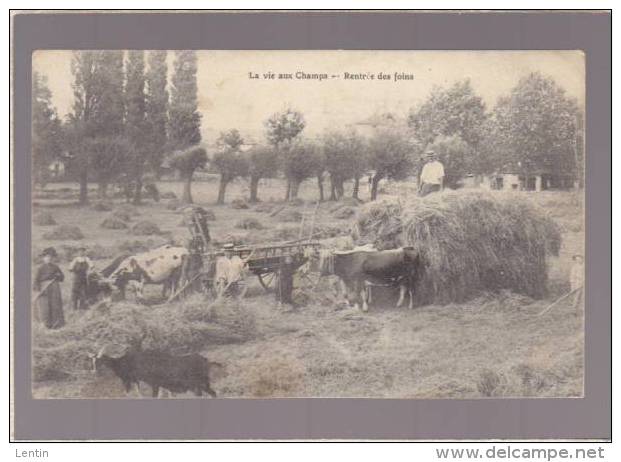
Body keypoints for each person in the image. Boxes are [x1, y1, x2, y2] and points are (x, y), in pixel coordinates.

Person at [33, 247, 65, 329]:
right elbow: (36, 280)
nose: (49, 258)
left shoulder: (56, 267)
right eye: (47, 257)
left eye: (51, 257)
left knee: (55, 305)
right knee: (44, 307)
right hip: (44, 289)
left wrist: (58, 276)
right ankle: (45, 324)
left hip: (54, 288)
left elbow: (62, 278)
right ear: (43, 258)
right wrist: (38, 289)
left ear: (53, 258)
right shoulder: (40, 268)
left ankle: (56, 324)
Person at [68, 246, 94, 310]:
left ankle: (82, 307)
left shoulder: (87, 259)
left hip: (83, 278)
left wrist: (89, 271)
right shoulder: (75, 259)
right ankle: (74, 308)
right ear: (78, 252)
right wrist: (73, 270)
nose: (81, 252)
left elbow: (92, 266)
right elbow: (70, 268)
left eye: (82, 251)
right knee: (75, 293)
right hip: (76, 278)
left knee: (84, 292)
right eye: (79, 251)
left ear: (84, 252)